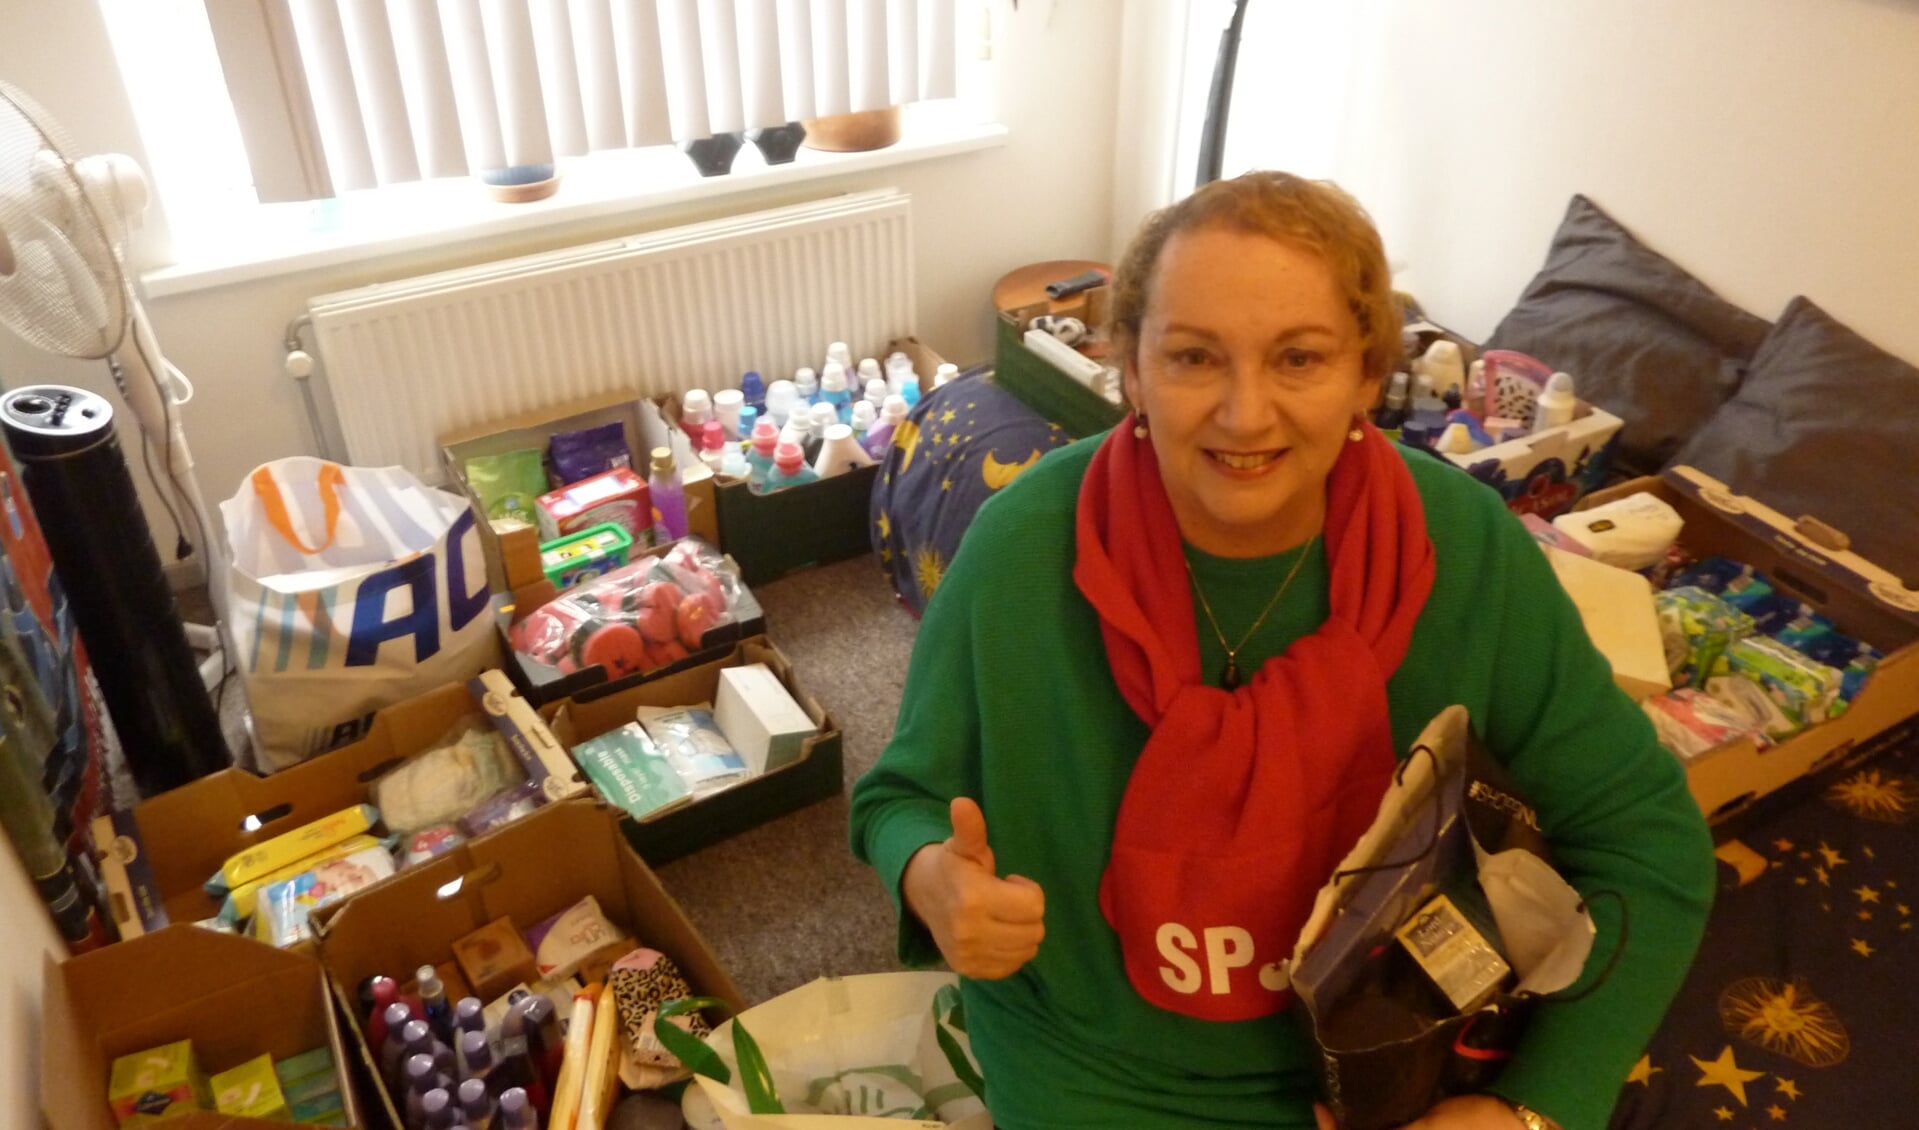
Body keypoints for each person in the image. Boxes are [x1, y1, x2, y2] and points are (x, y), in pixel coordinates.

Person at [849, 171, 1714, 1130]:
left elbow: (1647, 842)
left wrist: (1533, 1111)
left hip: (1386, 1071)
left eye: (1297, 359)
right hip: (1087, 1063)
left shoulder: (1463, 551)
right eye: (1192, 358)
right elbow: (900, 796)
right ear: (1130, 371)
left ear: (1364, 374)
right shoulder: (1021, 548)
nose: (1245, 414)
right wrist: (931, 876)